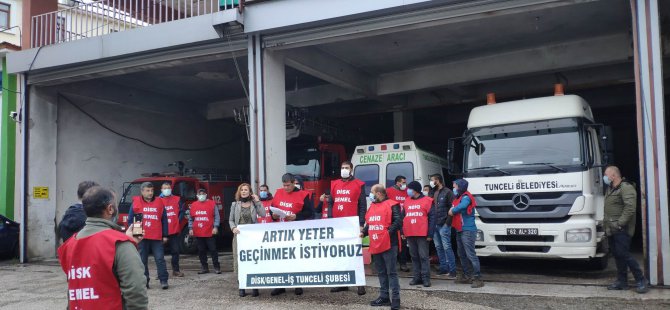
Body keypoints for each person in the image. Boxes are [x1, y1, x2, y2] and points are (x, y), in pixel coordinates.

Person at [57, 186, 148, 310]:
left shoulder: (69, 245)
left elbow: (75, 289)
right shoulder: (119, 244)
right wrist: (126, 243)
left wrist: (127, 241)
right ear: (110, 209)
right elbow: (135, 289)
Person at [320, 160, 367, 295]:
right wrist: (330, 221)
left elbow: (362, 205)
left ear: (351, 170)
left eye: (346, 167)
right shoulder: (334, 183)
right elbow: (330, 203)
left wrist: (361, 223)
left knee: (355, 254)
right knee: (339, 253)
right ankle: (342, 283)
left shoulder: (359, 184)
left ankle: (359, 284)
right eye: (342, 167)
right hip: (338, 224)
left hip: (352, 224)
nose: (344, 169)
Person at [603, 166, 648, 293]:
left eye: (606, 174)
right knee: (618, 255)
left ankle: (641, 279)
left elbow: (630, 208)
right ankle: (622, 282)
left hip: (621, 228)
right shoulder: (610, 188)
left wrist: (620, 224)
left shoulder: (626, 187)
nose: (604, 177)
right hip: (611, 229)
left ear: (614, 175)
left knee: (624, 254)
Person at [269, 173, 314, 296]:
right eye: (284, 185)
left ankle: (297, 284)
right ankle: (281, 285)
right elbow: (272, 208)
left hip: (295, 231)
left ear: (294, 183)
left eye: (288, 185)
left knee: (295, 258)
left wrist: (296, 216)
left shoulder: (303, 195)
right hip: (280, 231)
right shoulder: (278, 192)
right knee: (280, 258)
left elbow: (310, 213)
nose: (286, 188)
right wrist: (273, 216)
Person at [361, 184, 402, 310]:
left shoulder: (392, 204)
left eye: (372, 192)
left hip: (389, 244)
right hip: (376, 243)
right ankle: (384, 297)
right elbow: (370, 223)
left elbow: (398, 221)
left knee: (392, 272)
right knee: (381, 272)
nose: (371, 195)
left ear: (379, 193)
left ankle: (395, 299)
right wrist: (364, 232)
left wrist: (387, 233)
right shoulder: (372, 206)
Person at [128, 182, 169, 289]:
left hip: (156, 236)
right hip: (141, 237)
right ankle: (144, 281)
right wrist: (133, 234)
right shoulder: (135, 203)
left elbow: (164, 219)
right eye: (147, 190)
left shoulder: (160, 202)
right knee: (142, 260)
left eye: (151, 190)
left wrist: (165, 235)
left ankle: (163, 280)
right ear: (142, 191)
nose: (150, 193)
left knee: (160, 259)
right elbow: (130, 220)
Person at [229, 183, 266, 297]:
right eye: (242, 190)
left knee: (252, 260)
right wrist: (233, 228)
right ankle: (242, 286)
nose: (244, 191)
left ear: (250, 192)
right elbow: (231, 220)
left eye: (246, 190)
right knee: (239, 261)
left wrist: (258, 201)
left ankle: (254, 286)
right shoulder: (235, 205)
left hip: (252, 238)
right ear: (239, 192)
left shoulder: (254, 204)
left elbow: (263, 214)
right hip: (239, 237)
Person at [449, 179, 484, 288]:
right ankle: (467, 276)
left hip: (467, 230)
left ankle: (478, 278)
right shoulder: (459, 197)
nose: (454, 189)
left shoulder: (466, 197)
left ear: (460, 187)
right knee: (462, 254)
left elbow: (463, 206)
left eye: (455, 187)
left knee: (470, 254)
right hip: (460, 229)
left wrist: (452, 211)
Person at [402, 181, 434, 287]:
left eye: (409, 189)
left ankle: (426, 278)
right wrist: (402, 231)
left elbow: (432, 219)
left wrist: (430, 234)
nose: (408, 190)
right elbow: (403, 217)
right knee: (414, 257)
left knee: (424, 257)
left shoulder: (428, 201)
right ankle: (417, 277)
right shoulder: (406, 201)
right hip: (410, 233)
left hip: (422, 234)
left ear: (415, 190)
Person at [188, 188, 221, 275]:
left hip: (210, 232)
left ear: (206, 194)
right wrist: (190, 228)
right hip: (198, 232)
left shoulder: (212, 203)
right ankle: (204, 267)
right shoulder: (194, 205)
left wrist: (215, 227)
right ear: (197, 195)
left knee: (213, 250)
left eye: (203, 193)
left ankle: (216, 267)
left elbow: (217, 217)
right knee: (201, 251)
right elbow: (191, 219)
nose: (201, 195)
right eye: (200, 194)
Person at [429, 174, 457, 278]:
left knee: (447, 247)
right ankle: (443, 268)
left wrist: (447, 223)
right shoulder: (433, 192)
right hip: (435, 224)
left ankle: (452, 270)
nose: (431, 182)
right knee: (438, 247)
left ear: (438, 180)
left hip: (444, 224)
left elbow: (452, 208)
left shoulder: (448, 192)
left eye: (432, 180)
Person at [159, 182, 184, 277]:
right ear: (161, 190)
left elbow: (182, 211)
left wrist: (178, 220)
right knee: (159, 253)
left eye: (168, 188)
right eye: (165, 188)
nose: (167, 190)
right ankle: (161, 272)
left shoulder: (177, 199)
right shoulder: (158, 200)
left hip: (174, 230)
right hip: (161, 231)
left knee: (175, 251)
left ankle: (176, 270)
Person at [386, 175, 410, 272]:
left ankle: (403, 263)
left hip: (404, 220)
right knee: (392, 243)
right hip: (393, 221)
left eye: (405, 182)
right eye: (403, 182)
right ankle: (391, 264)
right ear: (397, 182)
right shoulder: (389, 191)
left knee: (403, 243)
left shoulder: (407, 191)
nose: (405, 184)